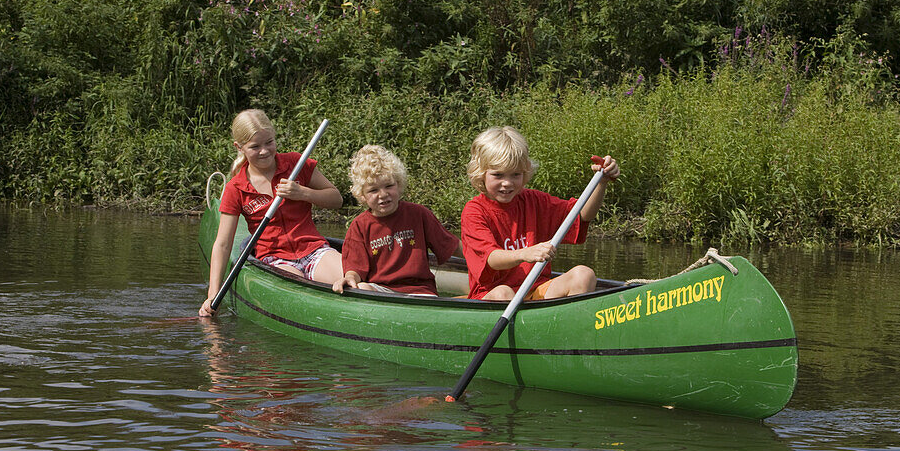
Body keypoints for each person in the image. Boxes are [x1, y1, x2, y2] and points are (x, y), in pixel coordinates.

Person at [199, 109, 343, 316]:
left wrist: (302, 192)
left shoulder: (296, 163)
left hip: (313, 249)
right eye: (255, 147)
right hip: (274, 259)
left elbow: (336, 199)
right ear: (239, 148)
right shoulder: (235, 188)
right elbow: (222, 244)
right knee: (300, 290)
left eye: (269, 142)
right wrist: (213, 294)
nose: (265, 151)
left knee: (351, 280)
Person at [460, 126, 620, 301]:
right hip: (492, 295)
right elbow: (491, 258)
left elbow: (582, 215)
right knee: (503, 293)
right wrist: (525, 253)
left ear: (525, 172)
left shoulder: (534, 201)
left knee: (584, 274)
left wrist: (601, 182)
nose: (507, 183)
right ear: (481, 175)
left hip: (535, 290)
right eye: (498, 175)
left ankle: (567, 325)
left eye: (515, 174)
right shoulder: (474, 211)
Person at [333, 144, 461, 296]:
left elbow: (451, 246)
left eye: (389, 186)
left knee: (427, 299)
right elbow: (354, 268)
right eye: (373, 190)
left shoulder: (419, 214)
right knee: (362, 288)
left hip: (420, 291)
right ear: (362, 195)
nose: (383, 194)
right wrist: (349, 278)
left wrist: (486, 255)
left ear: (399, 184)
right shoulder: (359, 226)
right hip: (381, 289)